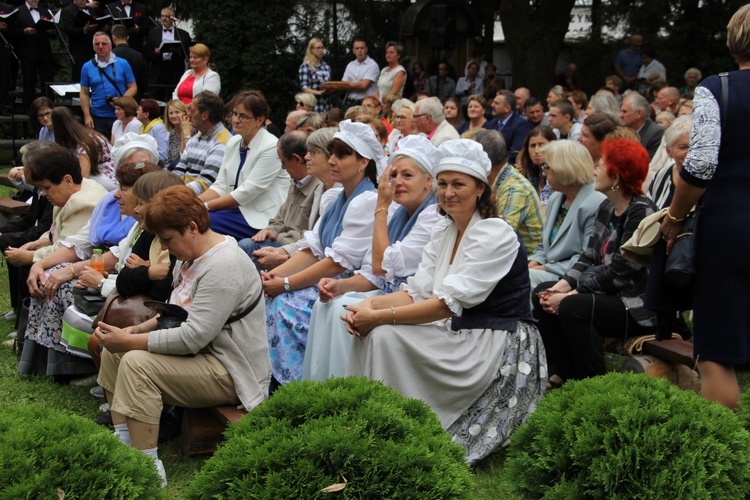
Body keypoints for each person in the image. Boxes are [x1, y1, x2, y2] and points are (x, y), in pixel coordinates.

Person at [345, 138, 546, 464]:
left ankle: (399, 427)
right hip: (458, 329)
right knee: (372, 330)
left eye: (458, 184)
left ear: (480, 188)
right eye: (442, 184)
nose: (448, 192)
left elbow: (444, 304)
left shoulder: (495, 233)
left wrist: (381, 317)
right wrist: (369, 308)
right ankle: (371, 421)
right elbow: (418, 290)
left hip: (496, 339)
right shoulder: (444, 229)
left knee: (383, 333)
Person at [94, 184, 271, 487]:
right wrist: (132, 331)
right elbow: (174, 312)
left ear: (192, 227)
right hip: (203, 358)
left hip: (232, 370)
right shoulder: (191, 256)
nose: (163, 248)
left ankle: (147, 468)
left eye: (167, 238)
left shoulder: (223, 264)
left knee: (137, 362)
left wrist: (132, 341)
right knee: (115, 350)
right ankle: (122, 443)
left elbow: (193, 337)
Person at [659, 6, 750, 411]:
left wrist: (675, 217)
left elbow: (699, 165)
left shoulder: (718, 87)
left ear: (733, 40)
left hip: (728, 227)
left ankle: (724, 458)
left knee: (717, 353)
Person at [303, 135, 440, 380]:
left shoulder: (431, 217)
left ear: (429, 181)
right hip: (391, 294)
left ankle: (346, 389)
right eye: (394, 175)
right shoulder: (399, 212)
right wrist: (339, 285)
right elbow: (374, 273)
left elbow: (381, 265)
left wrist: (382, 207)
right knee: (325, 305)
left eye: (407, 176)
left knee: (340, 312)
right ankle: (319, 390)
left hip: (416, 303)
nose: (397, 182)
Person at [262, 120, 381, 387]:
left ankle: (293, 385)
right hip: (327, 278)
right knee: (264, 296)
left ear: (363, 163)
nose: (333, 161)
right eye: (332, 155)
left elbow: (336, 264)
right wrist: (272, 278)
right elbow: (313, 249)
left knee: (285, 305)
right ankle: (267, 381)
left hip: (350, 284)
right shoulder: (335, 198)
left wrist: (286, 284)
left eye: (342, 155)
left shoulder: (366, 201)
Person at [19, 158, 159, 379]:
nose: (116, 194)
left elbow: (124, 267)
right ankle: (39, 359)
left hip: (122, 290)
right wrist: (41, 263)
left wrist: (91, 278)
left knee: (64, 286)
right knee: (49, 277)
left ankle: (73, 368)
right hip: (110, 276)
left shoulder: (151, 230)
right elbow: (83, 243)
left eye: (124, 188)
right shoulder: (122, 215)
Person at [535, 138, 656, 387]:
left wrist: (574, 293)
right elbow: (589, 255)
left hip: (635, 304)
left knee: (574, 307)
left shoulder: (641, 212)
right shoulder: (607, 207)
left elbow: (622, 272)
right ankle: (565, 368)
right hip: (608, 293)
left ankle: (593, 382)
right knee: (543, 293)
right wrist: (563, 286)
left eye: (601, 166)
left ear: (616, 178)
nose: (594, 171)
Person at [12, 146, 108, 370]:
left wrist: (33, 257)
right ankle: (32, 345)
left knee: (48, 278)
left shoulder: (83, 202)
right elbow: (58, 235)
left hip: (94, 267)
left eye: (46, 188)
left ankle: (62, 360)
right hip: (78, 259)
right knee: (39, 271)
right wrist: (37, 245)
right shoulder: (71, 193)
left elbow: (70, 246)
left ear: (67, 180)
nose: (44, 194)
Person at [199, 90, 289, 240]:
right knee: (188, 216)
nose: (236, 120)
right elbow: (221, 185)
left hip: (260, 218)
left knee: (201, 221)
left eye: (243, 116)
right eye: (234, 114)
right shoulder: (233, 142)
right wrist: (194, 202)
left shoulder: (271, 146)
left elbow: (247, 192)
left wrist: (205, 207)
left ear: (260, 120)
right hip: (235, 211)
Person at [250, 127, 339, 271]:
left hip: (322, 266)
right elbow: (314, 239)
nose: (307, 157)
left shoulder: (334, 192)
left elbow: (329, 251)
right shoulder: (321, 189)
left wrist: (286, 258)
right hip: (299, 251)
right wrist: (276, 238)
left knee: (249, 248)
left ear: (331, 157)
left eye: (313, 152)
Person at [527, 140, 606, 291]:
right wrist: (533, 262)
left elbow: (588, 257)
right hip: (547, 269)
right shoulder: (556, 198)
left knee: (524, 280)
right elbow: (543, 246)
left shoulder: (596, 203)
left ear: (563, 169)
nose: (544, 173)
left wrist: (544, 268)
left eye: (547, 167)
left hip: (571, 276)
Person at [0, 142, 54, 325]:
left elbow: (43, 229)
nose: (21, 172)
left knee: (16, 252)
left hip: (49, 242)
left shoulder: (53, 190)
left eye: (26, 167)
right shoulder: (39, 188)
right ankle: (17, 307)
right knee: (8, 244)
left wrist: (6, 238)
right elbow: (28, 218)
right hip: (40, 238)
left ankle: (24, 317)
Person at [474, 129, 543, 253]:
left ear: (484, 161)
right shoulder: (500, 180)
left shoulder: (513, 188)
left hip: (529, 261)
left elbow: (499, 238)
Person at [170, 91, 230, 194]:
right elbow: (178, 171)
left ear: (204, 115)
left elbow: (205, 184)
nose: (188, 114)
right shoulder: (196, 137)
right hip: (182, 195)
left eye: (192, 110)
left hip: (198, 202)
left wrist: (172, 193)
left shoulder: (222, 143)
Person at [80, 32, 138, 138]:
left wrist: (121, 101)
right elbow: (84, 92)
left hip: (120, 115)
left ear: (110, 45)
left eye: (104, 43)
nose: (101, 47)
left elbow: (133, 87)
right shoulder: (87, 66)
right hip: (97, 116)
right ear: (93, 47)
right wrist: (87, 116)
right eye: (97, 44)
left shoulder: (123, 63)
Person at [53, 106, 118, 191]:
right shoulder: (82, 134)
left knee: (72, 183)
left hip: (111, 178)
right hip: (101, 174)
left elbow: (82, 177)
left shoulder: (84, 144)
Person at [144, 7, 191, 101]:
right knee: (156, 96)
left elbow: (188, 54)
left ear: (173, 18)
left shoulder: (183, 34)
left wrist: (179, 52)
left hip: (175, 68)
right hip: (158, 68)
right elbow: (147, 54)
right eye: (162, 16)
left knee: (175, 95)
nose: (164, 18)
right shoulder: (153, 33)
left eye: (167, 16)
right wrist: (155, 53)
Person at [15, 0, 55, 107]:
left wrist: (52, 31)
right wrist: (24, 32)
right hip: (28, 51)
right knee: (29, 81)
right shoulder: (18, 11)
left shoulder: (44, 11)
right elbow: (13, 31)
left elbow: (52, 32)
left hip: (44, 51)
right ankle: (28, 107)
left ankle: (48, 106)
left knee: (47, 80)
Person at [61, 0, 104, 82]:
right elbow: (69, 29)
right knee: (79, 73)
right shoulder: (68, 10)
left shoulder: (92, 9)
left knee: (95, 72)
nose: (82, 1)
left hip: (93, 47)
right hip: (78, 48)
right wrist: (84, 29)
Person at [487, 90, 531, 165]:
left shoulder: (521, 125)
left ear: (507, 108)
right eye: (493, 102)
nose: (492, 105)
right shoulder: (491, 124)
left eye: (496, 103)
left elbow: (515, 153)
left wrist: (492, 160)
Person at [515, 125, 557, 204]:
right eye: (533, 146)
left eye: (541, 145)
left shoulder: (556, 173)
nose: (536, 151)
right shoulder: (530, 172)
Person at [620, 92, 664, 159]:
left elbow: (650, 163)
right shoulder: (623, 132)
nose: (620, 116)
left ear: (638, 113)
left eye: (625, 112)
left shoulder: (656, 133)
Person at [340, 37, 379, 108]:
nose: (360, 51)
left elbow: (364, 85)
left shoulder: (373, 65)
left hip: (366, 104)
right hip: (350, 103)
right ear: (353, 51)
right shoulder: (350, 65)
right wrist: (359, 83)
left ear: (366, 50)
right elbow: (343, 85)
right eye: (357, 48)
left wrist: (351, 84)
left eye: (362, 48)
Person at [111, 24, 146, 101]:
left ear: (113, 38)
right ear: (128, 38)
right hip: (133, 99)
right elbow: (143, 81)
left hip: (114, 98)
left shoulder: (109, 56)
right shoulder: (138, 56)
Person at [298, 37, 331, 113]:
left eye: (322, 48)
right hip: (314, 106)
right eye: (318, 48)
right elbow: (304, 88)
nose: (321, 50)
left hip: (327, 105)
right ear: (311, 50)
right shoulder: (306, 66)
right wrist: (318, 93)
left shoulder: (326, 66)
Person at [137, 99, 169, 163]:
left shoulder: (159, 128)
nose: (136, 112)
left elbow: (162, 154)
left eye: (139, 110)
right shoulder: (142, 127)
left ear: (146, 114)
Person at [163, 99, 192, 168]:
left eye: (177, 112)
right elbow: (169, 159)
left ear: (185, 114)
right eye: (171, 113)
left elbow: (187, 156)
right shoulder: (173, 133)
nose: (173, 116)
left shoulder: (193, 131)